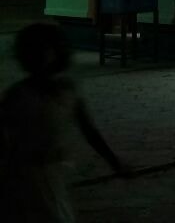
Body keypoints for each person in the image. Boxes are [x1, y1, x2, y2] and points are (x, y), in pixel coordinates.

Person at [0, 23, 126, 222]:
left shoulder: (67, 90)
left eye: (46, 49)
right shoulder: (17, 96)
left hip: (54, 172)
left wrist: (114, 161)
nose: (41, 55)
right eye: (36, 50)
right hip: (24, 174)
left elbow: (89, 130)